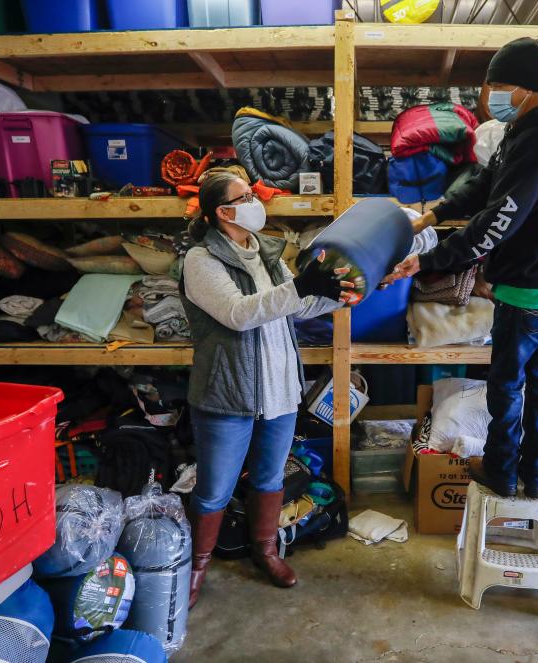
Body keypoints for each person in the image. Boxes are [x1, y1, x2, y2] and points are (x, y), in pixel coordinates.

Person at [385, 37, 538, 499]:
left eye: (500, 85)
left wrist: (428, 261)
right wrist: (431, 215)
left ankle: (502, 474)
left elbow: (497, 221)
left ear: (528, 89)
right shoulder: (530, 130)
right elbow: (484, 183)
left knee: (508, 390)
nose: (490, 93)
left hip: (529, 292)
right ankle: (534, 477)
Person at [181, 171, 352, 606]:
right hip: (227, 394)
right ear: (223, 212)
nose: (257, 200)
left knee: (270, 477)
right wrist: (301, 286)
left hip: (279, 389)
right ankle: (197, 565)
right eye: (247, 196)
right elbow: (237, 313)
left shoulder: (268, 254)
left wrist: (341, 293)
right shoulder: (201, 260)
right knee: (215, 488)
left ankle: (265, 550)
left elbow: (297, 305)